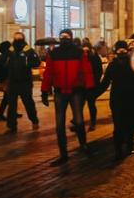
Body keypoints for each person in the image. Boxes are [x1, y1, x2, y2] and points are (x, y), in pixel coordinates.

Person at [41, 29, 96, 165]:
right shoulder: (54, 53)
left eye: (66, 37)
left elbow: (86, 70)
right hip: (60, 91)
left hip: (76, 91)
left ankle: (83, 145)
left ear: (71, 38)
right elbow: (48, 72)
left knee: (78, 120)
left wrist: (89, 87)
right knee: (59, 124)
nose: (63, 39)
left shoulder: (78, 52)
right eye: (61, 37)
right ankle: (63, 154)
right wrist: (44, 90)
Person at [98, 41, 134, 159]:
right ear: (116, 51)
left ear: (127, 51)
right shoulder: (112, 65)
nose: (121, 52)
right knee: (118, 126)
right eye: (119, 50)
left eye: (123, 50)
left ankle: (129, 145)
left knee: (130, 124)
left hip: (132, 99)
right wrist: (94, 93)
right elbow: (105, 83)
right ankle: (118, 150)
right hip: (117, 100)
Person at [0, 32, 40, 132]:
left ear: (23, 39)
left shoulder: (28, 50)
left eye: (19, 38)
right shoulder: (11, 50)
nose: (17, 40)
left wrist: (27, 64)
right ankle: (12, 126)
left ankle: (34, 120)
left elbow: (36, 62)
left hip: (25, 82)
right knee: (11, 105)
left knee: (28, 103)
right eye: (16, 38)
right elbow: (2, 60)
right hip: (13, 82)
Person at [82, 39, 104, 131]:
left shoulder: (95, 57)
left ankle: (93, 122)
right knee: (79, 105)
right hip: (82, 85)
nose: (85, 52)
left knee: (91, 104)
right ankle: (78, 122)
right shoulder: (80, 57)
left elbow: (99, 71)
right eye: (84, 50)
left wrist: (95, 82)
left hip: (92, 85)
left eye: (87, 50)